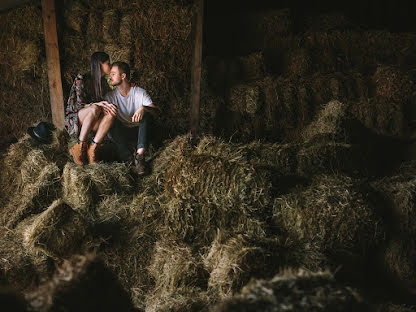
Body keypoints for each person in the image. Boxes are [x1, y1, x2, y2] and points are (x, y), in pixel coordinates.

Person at [105, 62, 160, 175]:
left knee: (146, 114)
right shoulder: (109, 97)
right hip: (123, 133)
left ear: (123, 76)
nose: (109, 77)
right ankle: (129, 159)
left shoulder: (140, 92)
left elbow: (157, 112)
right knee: (110, 120)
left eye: (113, 74)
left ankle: (140, 158)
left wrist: (144, 108)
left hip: (141, 131)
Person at [65, 52, 118, 165]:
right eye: (108, 63)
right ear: (99, 64)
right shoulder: (82, 79)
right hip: (76, 121)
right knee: (95, 108)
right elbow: (78, 105)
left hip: (92, 121)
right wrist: (98, 104)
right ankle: (79, 146)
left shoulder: (104, 83)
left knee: (111, 112)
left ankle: (92, 149)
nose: (110, 65)